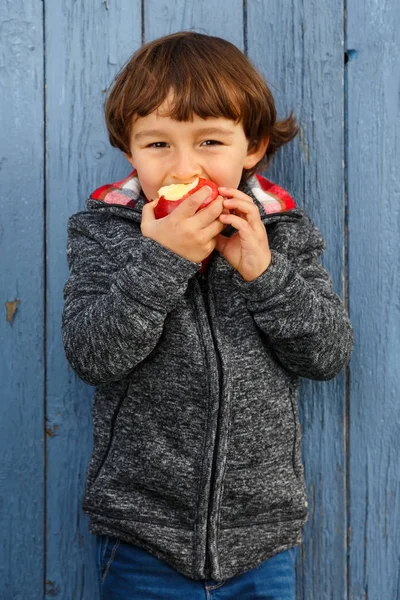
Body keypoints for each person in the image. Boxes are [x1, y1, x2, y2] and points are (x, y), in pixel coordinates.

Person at [62, 31, 353, 599]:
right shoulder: (105, 231)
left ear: (253, 148)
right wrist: (162, 261)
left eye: (210, 141)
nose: (183, 165)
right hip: (143, 536)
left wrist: (264, 274)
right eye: (158, 144)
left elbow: (327, 354)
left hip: (261, 540)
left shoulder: (280, 234)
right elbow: (92, 355)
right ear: (129, 151)